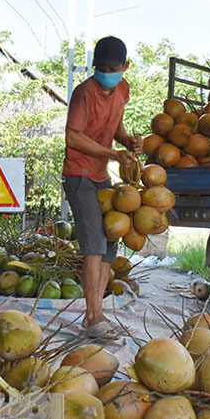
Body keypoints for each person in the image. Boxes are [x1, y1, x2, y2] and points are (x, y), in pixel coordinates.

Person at [63, 36, 142, 338]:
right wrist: (112, 154)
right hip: (79, 173)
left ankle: (98, 313)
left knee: (111, 237)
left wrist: (127, 141)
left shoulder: (122, 89)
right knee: (94, 243)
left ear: (125, 67)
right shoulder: (84, 93)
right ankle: (92, 316)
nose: (106, 72)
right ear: (95, 66)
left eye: (112, 67)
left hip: (100, 176)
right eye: (101, 67)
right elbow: (73, 138)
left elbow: (114, 125)